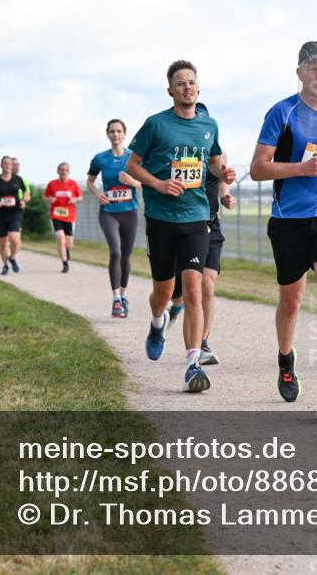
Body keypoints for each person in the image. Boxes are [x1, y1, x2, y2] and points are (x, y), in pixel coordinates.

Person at [249, 41, 317, 418]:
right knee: (291, 301)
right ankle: (285, 359)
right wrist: (300, 168)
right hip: (289, 220)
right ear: (299, 73)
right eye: (313, 68)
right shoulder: (282, 113)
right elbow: (258, 169)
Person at [125, 59, 235, 394]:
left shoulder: (209, 126)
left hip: (196, 218)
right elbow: (132, 165)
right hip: (161, 219)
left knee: (194, 290)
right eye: (181, 83)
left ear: (198, 88)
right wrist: (158, 185)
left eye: (192, 82)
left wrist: (223, 174)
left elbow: (214, 163)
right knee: (162, 294)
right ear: (171, 90)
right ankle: (157, 323)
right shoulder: (155, 125)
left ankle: (192, 364)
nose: (187, 87)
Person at [167, 105, 234, 366]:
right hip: (180, 224)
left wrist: (226, 195)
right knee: (175, 289)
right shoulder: (179, 153)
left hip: (210, 223)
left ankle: (202, 343)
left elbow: (221, 177)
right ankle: (173, 308)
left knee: (207, 284)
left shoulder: (218, 152)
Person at [87, 119, 142, 318]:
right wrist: (97, 194)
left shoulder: (133, 158)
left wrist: (133, 181)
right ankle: (116, 299)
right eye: (112, 131)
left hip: (130, 212)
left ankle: (124, 294)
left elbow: (146, 183)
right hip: (109, 212)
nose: (116, 135)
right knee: (115, 252)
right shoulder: (100, 158)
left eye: (119, 131)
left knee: (126, 256)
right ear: (108, 134)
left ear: (124, 134)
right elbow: (90, 181)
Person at [0, 155, 25, 275]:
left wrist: (24, 201)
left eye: (9, 164)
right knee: (3, 242)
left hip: (15, 213)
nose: (7, 166)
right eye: (5, 163)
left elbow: (25, 193)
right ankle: (5, 265)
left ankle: (12, 257)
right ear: (1, 165)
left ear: (12, 166)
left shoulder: (18, 179)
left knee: (14, 239)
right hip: (0, 214)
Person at [44, 162, 83, 273]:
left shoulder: (73, 184)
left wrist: (75, 200)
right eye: (61, 170)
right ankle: (65, 263)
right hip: (56, 215)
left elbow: (80, 197)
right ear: (58, 171)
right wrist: (49, 199)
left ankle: (66, 250)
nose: (63, 172)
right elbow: (45, 196)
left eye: (65, 170)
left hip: (69, 216)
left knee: (69, 243)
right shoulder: (52, 184)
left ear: (68, 171)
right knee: (60, 237)